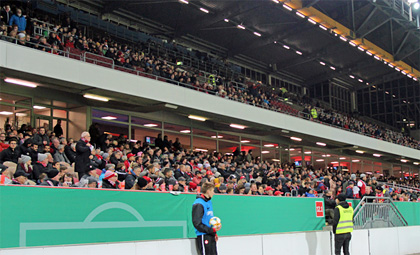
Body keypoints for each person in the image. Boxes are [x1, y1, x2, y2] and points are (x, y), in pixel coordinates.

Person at [192, 182, 221, 255]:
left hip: (210, 234)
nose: (213, 193)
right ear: (208, 191)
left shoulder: (209, 202)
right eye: (212, 191)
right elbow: (197, 223)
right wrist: (211, 230)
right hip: (203, 235)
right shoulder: (198, 204)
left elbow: (210, 219)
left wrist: (214, 233)